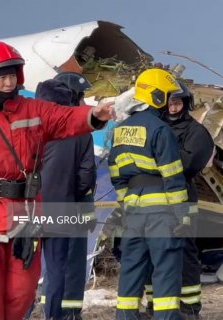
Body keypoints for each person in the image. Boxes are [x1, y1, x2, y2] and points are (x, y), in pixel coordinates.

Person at [0, 41, 114, 320]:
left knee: (22, 292)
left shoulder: (35, 110)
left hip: (24, 213)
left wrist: (93, 115)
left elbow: (64, 118)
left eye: (12, 76)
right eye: (1, 77)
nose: (8, 83)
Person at [108, 68, 189, 320]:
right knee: (165, 269)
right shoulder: (160, 129)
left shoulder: (120, 130)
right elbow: (173, 175)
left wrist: (127, 204)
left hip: (133, 210)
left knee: (131, 268)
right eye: (167, 96)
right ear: (157, 96)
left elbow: (115, 173)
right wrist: (182, 215)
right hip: (162, 211)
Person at [143, 81, 214, 320]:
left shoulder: (197, 133)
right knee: (153, 252)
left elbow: (188, 164)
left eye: (177, 102)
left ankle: (189, 307)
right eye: (169, 103)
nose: (173, 108)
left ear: (186, 103)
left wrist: (156, 162)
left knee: (184, 252)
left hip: (182, 199)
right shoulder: (155, 127)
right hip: (153, 199)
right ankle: (155, 305)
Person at [32, 72, 97, 320]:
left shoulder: (29, 125)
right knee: (58, 266)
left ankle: (22, 312)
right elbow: (86, 175)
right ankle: (55, 316)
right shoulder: (81, 132)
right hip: (63, 207)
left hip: (27, 206)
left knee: (23, 265)